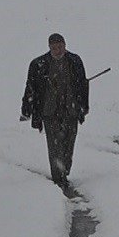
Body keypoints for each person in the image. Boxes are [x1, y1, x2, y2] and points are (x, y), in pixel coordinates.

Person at [21, 33, 89, 187]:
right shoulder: (38, 64)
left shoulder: (75, 61)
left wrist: (84, 106)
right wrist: (27, 109)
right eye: (54, 48)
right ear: (49, 48)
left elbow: (83, 86)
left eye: (60, 47)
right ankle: (58, 177)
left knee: (69, 144)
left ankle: (64, 171)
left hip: (71, 111)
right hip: (49, 112)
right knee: (55, 146)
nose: (58, 50)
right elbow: (30, 88)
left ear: (65, 45)